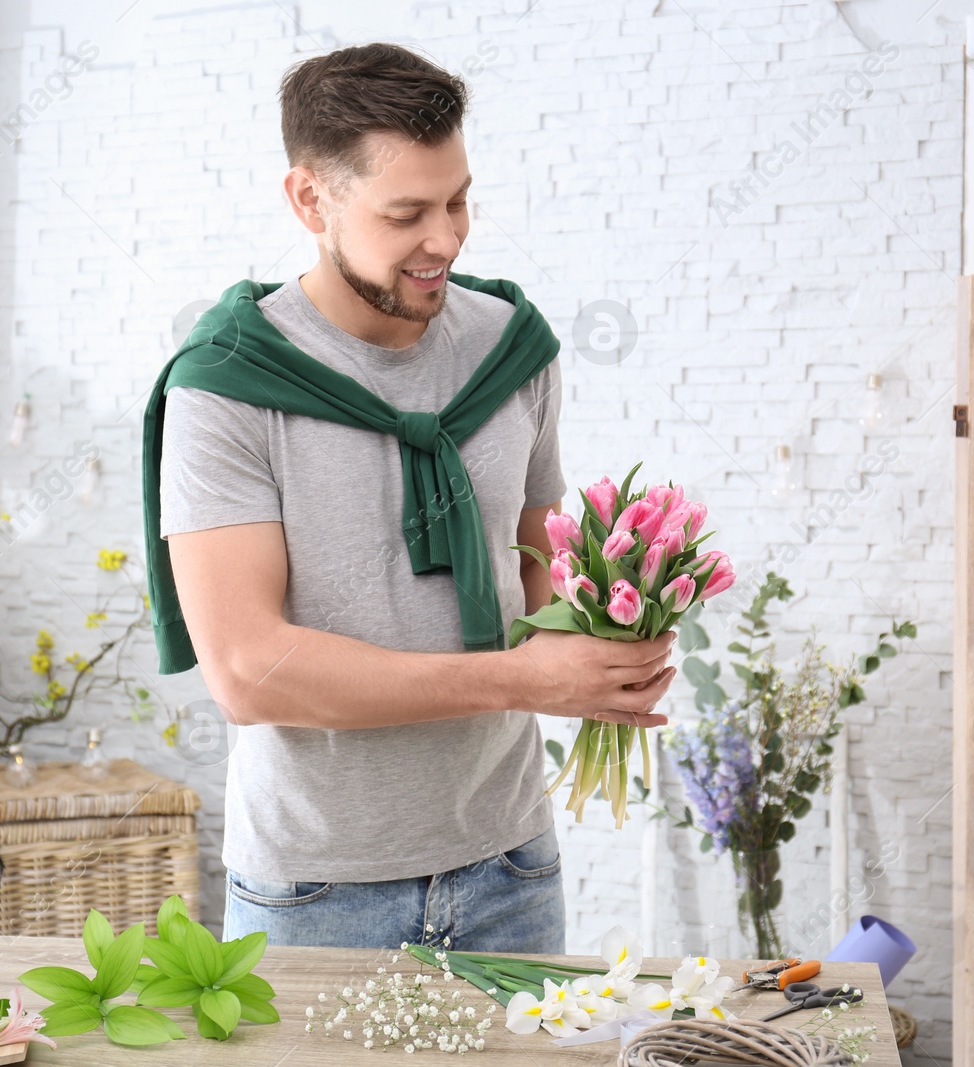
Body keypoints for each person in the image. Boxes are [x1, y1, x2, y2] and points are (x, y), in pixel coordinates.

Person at [151, 42, 676, 953]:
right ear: (311, 201)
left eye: (459, 199)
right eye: (407, 214)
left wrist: (600, 644)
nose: (447, 239)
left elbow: (535, 556)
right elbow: (245, 670)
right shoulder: (227, 383)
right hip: (315, 891)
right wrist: (522, 679)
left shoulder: (515, 349)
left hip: (511, 864)